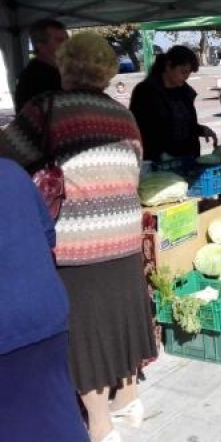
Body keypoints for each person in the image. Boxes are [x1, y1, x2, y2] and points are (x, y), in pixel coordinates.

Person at [0, 31, 157, 442]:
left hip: (77, 243)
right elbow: (135, 164)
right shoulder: (124, 115)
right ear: (106, 71)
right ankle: (129, 400)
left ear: (66, 67)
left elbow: (6, 156)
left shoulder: (46, 107)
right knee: (121, 320)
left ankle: (101, 425)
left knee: (85, 335)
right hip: (123, 236)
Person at [0, 159, 89, 442]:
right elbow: (48, 234)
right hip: (44, 312)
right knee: (58, 414)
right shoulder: (11, 171)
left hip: (9, 330)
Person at [129, 45, 217, 161]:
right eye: (183, 72)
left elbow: (186, 124)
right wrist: (159, 155)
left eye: (189, 73)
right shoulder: (145, 91)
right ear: (169, 65)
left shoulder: (185, 91)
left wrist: (200, 130)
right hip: (158, 162)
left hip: (188, 158)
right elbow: (138, 129)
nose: (186, 77)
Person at [13, 18, 68, 112]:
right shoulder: (31, 78)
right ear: (40, 45)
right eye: (60, 40)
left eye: (67, 39)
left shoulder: (64, 71)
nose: (67, 44)